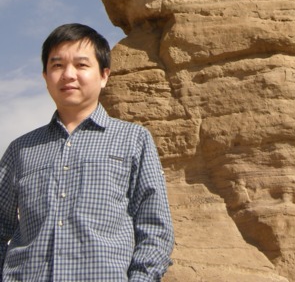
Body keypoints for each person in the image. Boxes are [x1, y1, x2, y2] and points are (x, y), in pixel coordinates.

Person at [0, 23, 174, 281]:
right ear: (45, 77)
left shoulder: (133, 140)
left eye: (81, 65)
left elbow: (155, 228)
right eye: (57, 65)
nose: (68, 75)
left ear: (104, 75)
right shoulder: (20, 149)